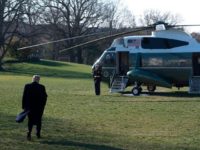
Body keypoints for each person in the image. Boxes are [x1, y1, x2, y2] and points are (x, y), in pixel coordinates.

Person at [22, 75, 47, 141]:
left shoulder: (27, 86)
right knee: (39, 120)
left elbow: (24, 96)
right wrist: (43, 106)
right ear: (38, 80)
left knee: (30, 120)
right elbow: (45, 97)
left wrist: (24, 106)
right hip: (39, 107)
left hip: (29, 107)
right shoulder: (42, 87)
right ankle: (38, 134)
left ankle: (29, 133)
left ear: (32, 79)